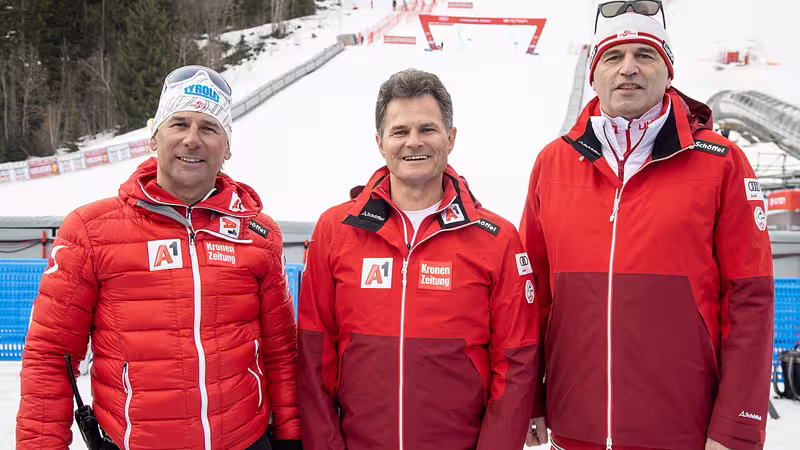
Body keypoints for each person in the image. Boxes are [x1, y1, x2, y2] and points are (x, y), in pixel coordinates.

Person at [521, 9, 774, 450]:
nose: (629, 68)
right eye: (613, 56)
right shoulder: (553, 163)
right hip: (575, 428)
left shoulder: (722, 164)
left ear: (669, 71)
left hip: (681, 432)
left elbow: (749, 300)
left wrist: (737, 424)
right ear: (593, 74)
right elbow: (531, 296)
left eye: (645, 54)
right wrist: (531, 398)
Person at [16, 65, 301, 450]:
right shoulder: (90, 230)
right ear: (154, 137)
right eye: (179, 123)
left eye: (209, 128)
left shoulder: (258, 234)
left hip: (245, 441)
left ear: (228, 147)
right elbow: (51, 356)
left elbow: (282, 353)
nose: (192, 139)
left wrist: (290, 437)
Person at [297, 69, 539, 450]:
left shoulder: (498, 239)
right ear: (380, 143)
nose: (413, 142)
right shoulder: (335, 230)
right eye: (400, 131)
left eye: (427, 129)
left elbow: (516, 364)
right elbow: (314, 358)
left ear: (450, 138)